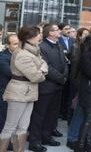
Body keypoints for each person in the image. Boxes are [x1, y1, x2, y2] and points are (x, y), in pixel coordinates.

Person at [0, 26, 47, 152]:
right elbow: (37, 76)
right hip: (18, 92)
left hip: (29, 92)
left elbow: (44, 64)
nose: (40, 37)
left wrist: (41, 68)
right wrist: (41, 69)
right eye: (38, 34)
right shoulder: (22, 54)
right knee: (10, 126)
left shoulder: (33, 51)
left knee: (23, 127)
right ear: (29, 37)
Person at [29, 24, 68, 152]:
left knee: (52, 114)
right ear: (50, 33)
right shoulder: (42, 47)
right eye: (57, 30)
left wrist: (64, 76)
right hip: (46, 87)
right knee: (40, 115)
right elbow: (46, 67)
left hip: (57, 86)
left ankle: (46, 136)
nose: (59, 31)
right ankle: (35, 141)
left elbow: (65, 63)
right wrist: (61, 78)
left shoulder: (59, 44)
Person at [67, 28, 91, 150]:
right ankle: (72, 138)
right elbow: (75, 70)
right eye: (84, 34)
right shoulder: (79, 50)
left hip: (86, 85)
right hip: (81, 85)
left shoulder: (87, 52)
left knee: (84, 114)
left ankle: (81, 137)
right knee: (79, 113)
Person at [0, 34, 19, 133]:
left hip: (16, 93)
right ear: (7, 45)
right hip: (5, 92)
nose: (19, 46)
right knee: (4, 118)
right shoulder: (3, 57)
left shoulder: (20, 55)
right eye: (15, 44)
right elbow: (11, 73)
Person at [58, 23, 75, 125]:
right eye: (66, 29)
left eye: (69, 28)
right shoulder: (58, 40)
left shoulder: (72, 40)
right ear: (61, 30)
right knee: (63, 92)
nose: (68, 31)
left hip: (71, 68)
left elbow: (71, 53)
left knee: (69, 92)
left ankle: (65, 113)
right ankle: (61, 112)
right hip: (62, 68)